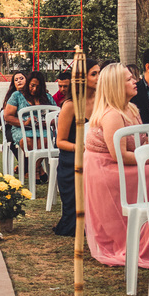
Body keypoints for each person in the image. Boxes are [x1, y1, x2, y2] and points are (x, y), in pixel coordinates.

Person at [83, 63, 149, 267]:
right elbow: (119, 155)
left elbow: (141, 142)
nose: (135, 81)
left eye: (133, 78)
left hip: (122, 164)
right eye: (129, 79)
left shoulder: (131, 108)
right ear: (115, 86)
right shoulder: (112, 115)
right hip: (107, 170)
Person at [53, 58, 100, 237]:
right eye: (93, 74)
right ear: (81, 78)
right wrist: (80, 148)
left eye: (99, 73)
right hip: (74, 158)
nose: (98, 77)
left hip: (98, 155)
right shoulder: (70, 105)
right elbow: (60, 141)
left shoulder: (102, 101)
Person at [3, 71, 55, 180]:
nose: (34, 89)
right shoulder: (17, 96)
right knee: (27, 141)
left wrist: (48, 122)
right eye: (32, 86)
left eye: (38, 86)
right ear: (28, 84)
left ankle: (33, 170)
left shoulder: (46, 97)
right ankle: (38, 169)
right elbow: (7, 116)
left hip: (43, 129)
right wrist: (24, 122)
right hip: (22, 129)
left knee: (46, 141)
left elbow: (57, 114)